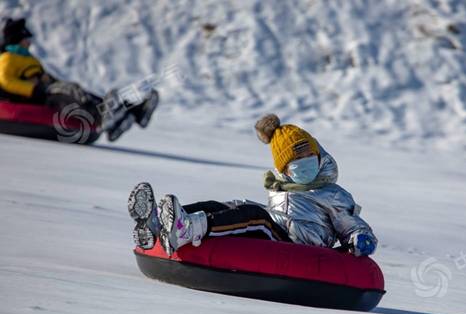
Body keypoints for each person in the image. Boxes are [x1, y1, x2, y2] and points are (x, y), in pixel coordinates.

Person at [127, 114, 378, 257]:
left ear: (319, 157)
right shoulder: (281, 187)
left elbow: (349, 224)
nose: (304, 164)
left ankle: (187, 229)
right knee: (234, 205)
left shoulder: (332, 194)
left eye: (308, 158)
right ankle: (163, 222)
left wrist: (361, 237)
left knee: (256, 217)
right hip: (280, 231)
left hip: (304, 244)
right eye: (295, 161)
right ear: (283, 169)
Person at [0, 18, 158, 141]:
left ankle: (133, 112)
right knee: (70, 90)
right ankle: (103, 117)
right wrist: (33, 90)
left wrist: (52, 83)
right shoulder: (7, 58)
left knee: (80, 93)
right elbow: (5, 80)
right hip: (36, 95)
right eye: (26, 39)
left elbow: (45, 76)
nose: (29, 43)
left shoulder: (29, 59)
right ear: (17, 39)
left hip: (46, 90)